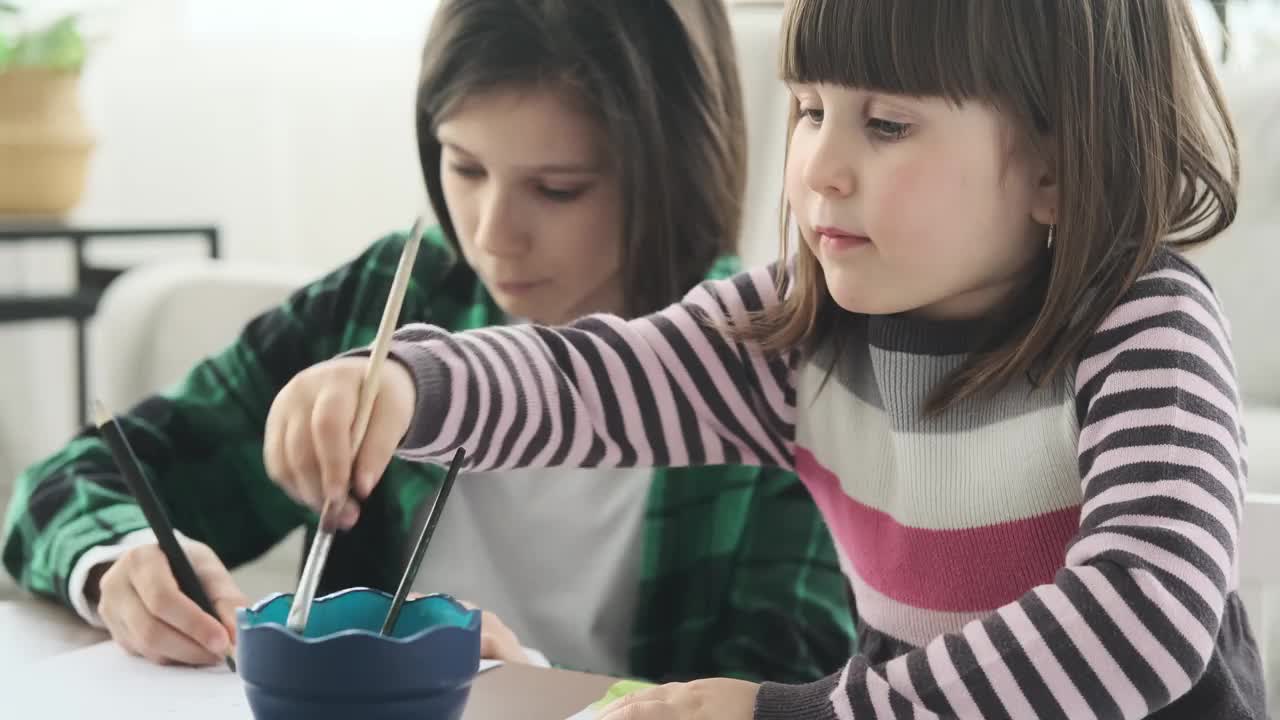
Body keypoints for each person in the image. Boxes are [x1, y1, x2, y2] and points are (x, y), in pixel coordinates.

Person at [264, 0, 1269, 717]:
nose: (819, 169)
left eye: (884, 124)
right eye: (806, 110)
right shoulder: (802, 328)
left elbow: (1139, 614)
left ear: (1054, 164)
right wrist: (408, 385)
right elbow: (598, 382)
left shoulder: (1140, 325)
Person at [0, 0, 856, 684]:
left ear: (671, 171)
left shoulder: (770, 369)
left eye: (558, 190)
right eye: (464, 166)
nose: (493, 235)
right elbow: (65, 484)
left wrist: (541, 694)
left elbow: (788, 695)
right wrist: (125, 560)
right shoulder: (390, 299)